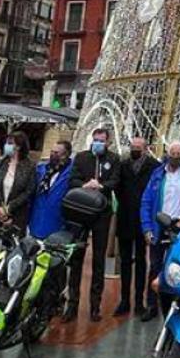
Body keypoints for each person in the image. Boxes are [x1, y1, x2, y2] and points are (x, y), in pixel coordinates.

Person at [65, 129, 121, 322]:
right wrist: (85, 184)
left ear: (108, 142)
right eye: (95, 140)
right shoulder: (81, 157)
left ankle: (95, 306)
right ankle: (71, 304)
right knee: (76, 259)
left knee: (99, 260)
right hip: (81, 212)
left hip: (101, 214)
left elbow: (115, 180)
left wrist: (102, 186)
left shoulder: (113, 159)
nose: (97, 143)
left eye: (101, 141)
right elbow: (72, 179)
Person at [140, 141, 180, 321]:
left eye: (178, 153)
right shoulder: (157, 175)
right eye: (172, 153)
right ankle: (151, 305)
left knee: (179, 267)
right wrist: (147, 227)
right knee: (155, 267)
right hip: (159, 225)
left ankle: (177, 305)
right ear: (167, 153)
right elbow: (146, 202)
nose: (175, 156)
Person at [115, 136, 158, 317]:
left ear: (146, 149)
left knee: (141, 261)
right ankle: (124, 300)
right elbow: (117, 189)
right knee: (125, 261)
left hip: (143, 220)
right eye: (133, 147)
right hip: (125, 217)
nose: (135, 150)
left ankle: (139, 301)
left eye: (138, 147)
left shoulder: (154, 166)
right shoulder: (123, 165)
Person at [0, 132, 35, 263]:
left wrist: (10, 209)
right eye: (7, 143)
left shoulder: (29, 166)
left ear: (19, 146)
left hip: (16, 217)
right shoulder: (0, 162)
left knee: (10, 256)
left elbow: (28, 192)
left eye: (10, 143)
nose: (7, 146)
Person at [28, 141, 73, 238]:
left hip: (57, 221)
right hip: (37, 217)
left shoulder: (71, 172)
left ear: (66, 155)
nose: (53, 155)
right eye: (52, 152)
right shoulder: (42, 169)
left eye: (57, 153)